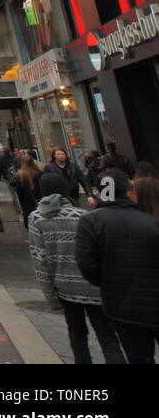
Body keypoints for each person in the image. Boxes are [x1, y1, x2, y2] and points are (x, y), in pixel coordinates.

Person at [28, 172, 126, 364]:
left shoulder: (37, 219)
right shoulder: (85, 216)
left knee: (77, 335)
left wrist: (51, 297)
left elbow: (40, 260)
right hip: (94, 286)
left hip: (64, 287)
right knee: (108, 339)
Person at [76, 169, 159, 364]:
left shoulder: (91, 221)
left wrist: (108, 280)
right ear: (129, 191)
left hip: (121, 304)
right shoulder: (151, 220)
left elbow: (88, 266)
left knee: (139, 357)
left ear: (99, 191)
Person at [13, 155, 43, 228]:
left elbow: (20, 195)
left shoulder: (19, 176)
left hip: (28, 205)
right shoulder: (40, 173)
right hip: (40, 203)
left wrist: (22, 206)